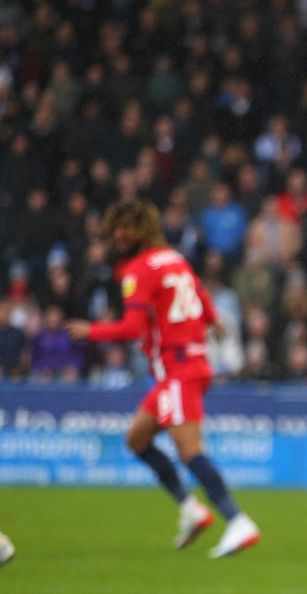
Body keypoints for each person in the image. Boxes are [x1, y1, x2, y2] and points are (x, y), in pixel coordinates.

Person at [66, 200, 260, 559]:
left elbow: (132, 328)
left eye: (126, 227)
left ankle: (238, 521)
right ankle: (190, 509)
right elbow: (206, 305)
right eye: (116, 227)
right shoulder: (174, 259)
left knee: (190, 451)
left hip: (178, 370)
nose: (119, 234)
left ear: (141, 229)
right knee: (137, 439)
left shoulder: (139, 269)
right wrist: (209, 326)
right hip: (186, 365)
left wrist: (90, 330)